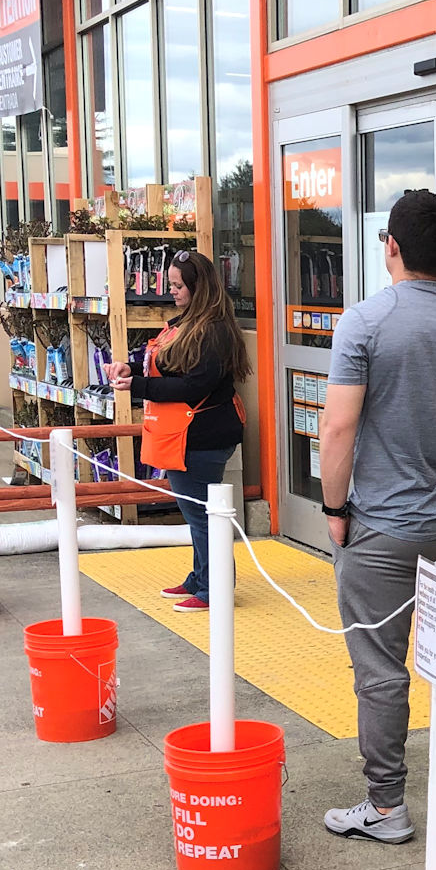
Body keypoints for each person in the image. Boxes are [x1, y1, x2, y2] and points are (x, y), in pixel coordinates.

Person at [319, 188, 436, 844]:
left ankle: (386, 806)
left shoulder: (365, 323)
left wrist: (334, 509)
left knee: (380, 668)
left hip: (381, 527)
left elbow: (338, 428)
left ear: (392, 247)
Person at [107, 249, 248, 612]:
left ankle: (214, 589)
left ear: (198, 288)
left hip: (200, 438)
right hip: (186, 435)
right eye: (170, 284)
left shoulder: (213, 331)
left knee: (202, 516)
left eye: (178, 285)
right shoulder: (188, 323)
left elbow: (193, 386)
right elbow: (167, 365)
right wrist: (130, 367)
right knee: (196, 513)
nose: (171, 291)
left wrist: (137, 385)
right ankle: (201, 578)